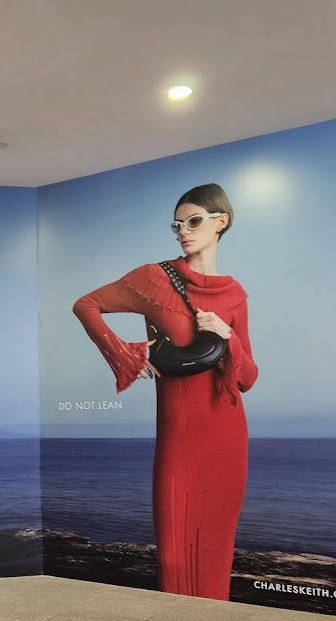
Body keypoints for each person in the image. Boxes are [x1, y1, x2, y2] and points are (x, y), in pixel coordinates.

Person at [72, 183, 258, 599]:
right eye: (177, 225)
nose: (183, 232)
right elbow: (85, 304)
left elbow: (247, 378)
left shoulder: (234, 295)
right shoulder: (154, 278)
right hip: (179, 435)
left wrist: (229, 336)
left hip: (226, 434)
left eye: (194, 221)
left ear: (220, 222)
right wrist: (127, 355)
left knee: (215, 548)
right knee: (173, 554)